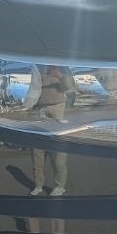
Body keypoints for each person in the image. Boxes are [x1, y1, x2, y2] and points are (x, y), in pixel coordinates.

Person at [28, 65, 76, 196]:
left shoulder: (62, 75)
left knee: (59, 154)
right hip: (40, 112)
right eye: (49, 67)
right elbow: (33, 92)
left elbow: (69, 88)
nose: (50, 68)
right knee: (37, 153)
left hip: (57, 111)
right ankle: (38, 185)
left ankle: (60, 186)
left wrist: (60, 76)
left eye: (53, 66)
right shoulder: (40, 76)